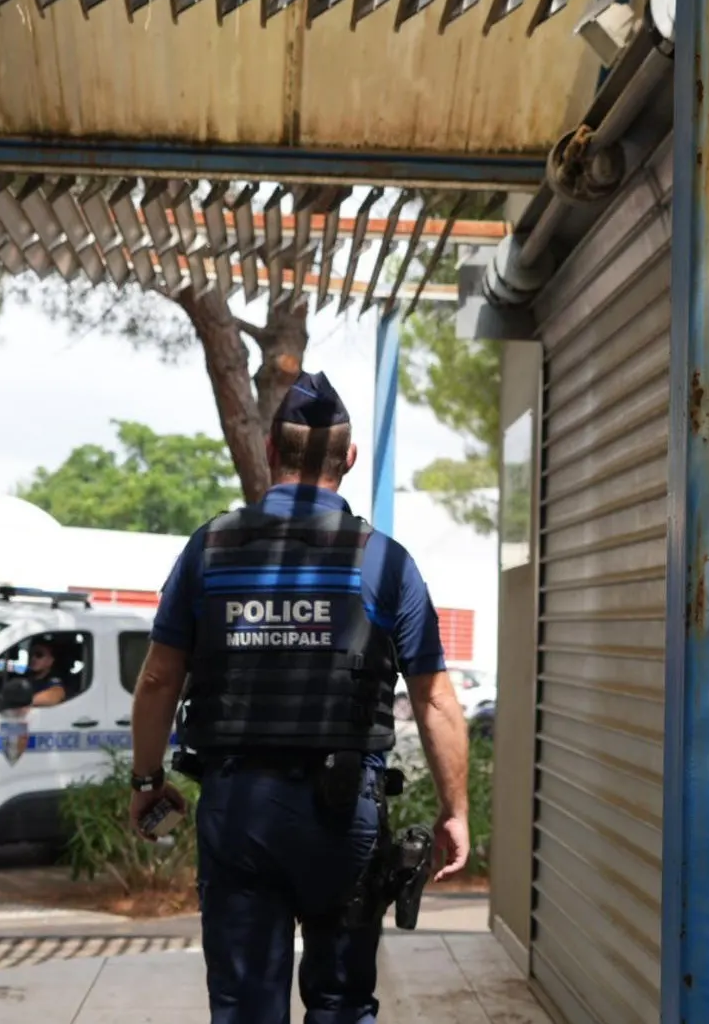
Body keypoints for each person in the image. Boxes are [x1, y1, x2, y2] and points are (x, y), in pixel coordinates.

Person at [126, 372, 469, 1024]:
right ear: (349, 459)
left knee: (246, 1005)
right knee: (340, 1003)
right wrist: (455, 812)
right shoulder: (386, 563)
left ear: (268, 454)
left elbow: (158, 680)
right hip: (343, 819)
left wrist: (147, 778)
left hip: (239, 812)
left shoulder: (210, 549)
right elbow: (437, 701)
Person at [21, 636, 72, 708]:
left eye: (39, 655)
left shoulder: (54, 679)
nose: (33, 658)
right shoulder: (26, 676)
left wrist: (24, 703)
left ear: (50, 660)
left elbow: (56, 694)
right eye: (31, 654)